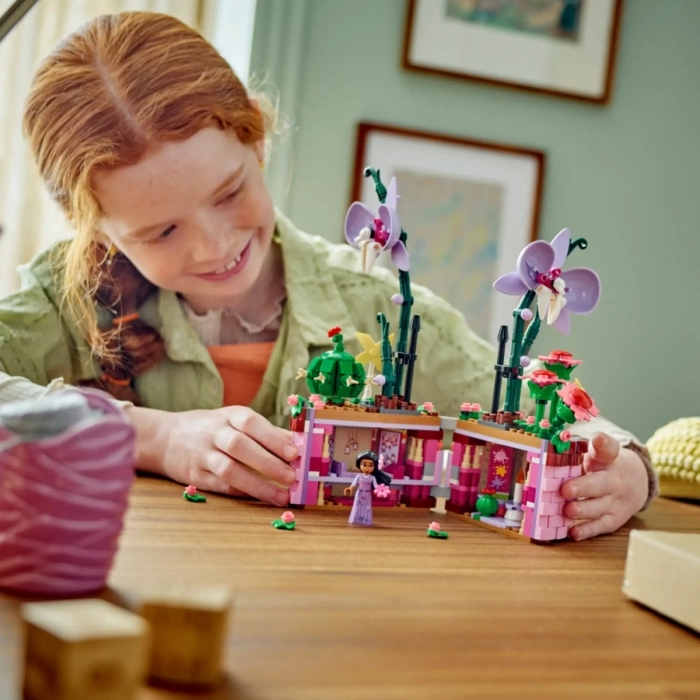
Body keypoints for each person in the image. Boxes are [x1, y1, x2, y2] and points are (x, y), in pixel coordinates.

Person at [0, 12, 655, 540]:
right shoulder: (66, 298)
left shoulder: (379, 307)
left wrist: (626, 470)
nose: (214, 244)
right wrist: (156, 436)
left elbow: (560, 421)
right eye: (161, 232)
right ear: (97, 231)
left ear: (257, 140)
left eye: (230, 193)